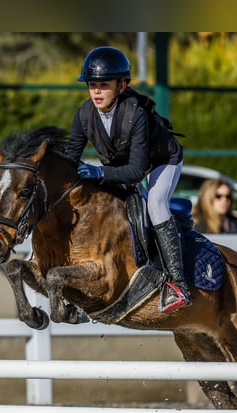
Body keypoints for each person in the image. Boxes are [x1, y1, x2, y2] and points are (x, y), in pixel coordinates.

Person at [65, 46, 189, 313]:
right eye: (92, 85)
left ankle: (177, 284)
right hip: (124, 164)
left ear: (121, 86)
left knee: (156, 204)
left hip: (162, 161)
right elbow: (69, 160)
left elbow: (135, 172)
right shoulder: (84, 115)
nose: (96, 91)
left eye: (104, 85)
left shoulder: (137, 114)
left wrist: (99, 172)